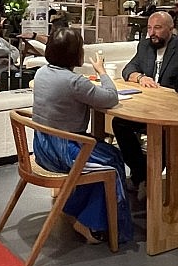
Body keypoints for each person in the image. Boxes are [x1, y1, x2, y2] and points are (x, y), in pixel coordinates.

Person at [31, 27, 133, 244]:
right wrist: (102, 71)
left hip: (42, 147)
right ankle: (91, 224)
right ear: (75, 53)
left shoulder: (41, 73)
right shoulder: (75, 82)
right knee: (111, 162)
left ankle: (73, 207)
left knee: (104, 154)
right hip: (64, 152)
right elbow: (111, 97)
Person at [111, 11, 178, 200]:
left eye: (157, 28)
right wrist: (140, 77)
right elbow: (129, 69)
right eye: (150, 28)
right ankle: (142, 174)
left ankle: (147, 179)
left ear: (171, 29)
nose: (152, 33)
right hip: (147, 107)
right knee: (119, 122)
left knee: (163, 132)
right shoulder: (145, 46)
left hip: (172, 112)